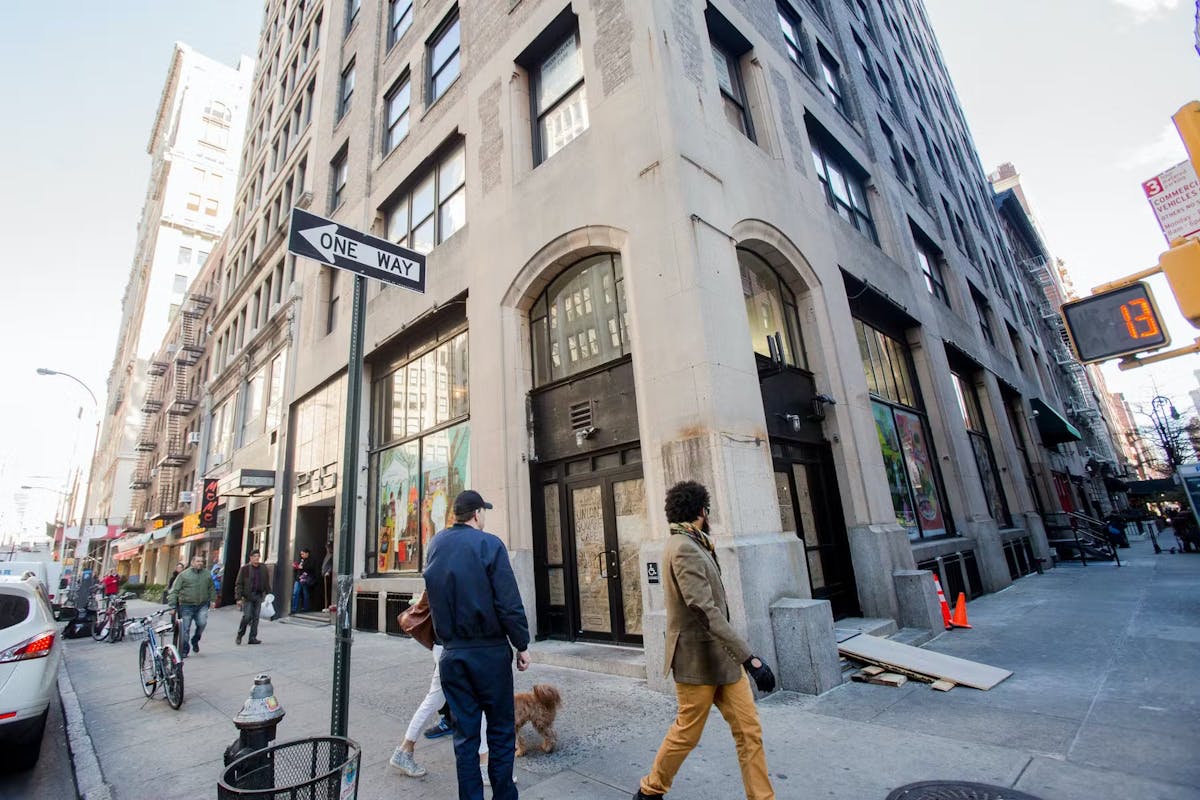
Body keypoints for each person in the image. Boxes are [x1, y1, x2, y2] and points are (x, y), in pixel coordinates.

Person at [634, 480, 777, 800]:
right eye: (708, 509)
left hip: (723, 659)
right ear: (701, 511)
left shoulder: (696, 543)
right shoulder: (682, 547)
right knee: (687, 732)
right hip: (696, 660)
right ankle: (650, 789)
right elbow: (703, 609)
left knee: (749, 730)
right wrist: (750, 658)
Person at [424, 490, 530, 800]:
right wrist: (521, 644)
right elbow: (508, 601)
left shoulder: (436, 545)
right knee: (499, 731)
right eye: (484, 512)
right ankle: (504, 795)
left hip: (452, 653)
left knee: (465, 735)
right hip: (489, 652)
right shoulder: (489, 544)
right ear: (476, 514)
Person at [390, 595, 493, 785]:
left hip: (446, 646)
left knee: (434, 700)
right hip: (453, 647)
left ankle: (405, 750)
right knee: (477, 701)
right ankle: (484, 764)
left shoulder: (438, 569)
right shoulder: (447, 570)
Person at [166, 555, 216, 658]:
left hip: (202, 605)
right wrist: (172, 606)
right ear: (192, 563)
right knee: (185, 629)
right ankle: (185, 649)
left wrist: (213, 600)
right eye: (198, 561)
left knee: (202, 623)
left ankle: (195, 639)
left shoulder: (207, 574)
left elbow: (211, 588)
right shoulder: (184, 575)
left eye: (201, 561)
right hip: (186, 606)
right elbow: (174, 591)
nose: (200, 563)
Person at [234, 549, 271, 645]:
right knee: (247, 617)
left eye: (258, 556)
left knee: (256, 617)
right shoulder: (245, 569)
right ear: (250, 558)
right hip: (248, 596)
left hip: (259, 595)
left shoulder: (263, 567)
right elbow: (239, 584)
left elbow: (266, 581)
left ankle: (252, 637)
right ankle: (240, 634)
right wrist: (238, 598)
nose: (257, 558)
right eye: (255, 556)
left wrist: (269, 594)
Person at [291, 548, 315, 612]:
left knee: (306, 594)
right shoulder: (300, 560)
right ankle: (294, 608)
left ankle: (306, 608)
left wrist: (303, 567)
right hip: (298, 578)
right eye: (301, 554)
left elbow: (312, 568)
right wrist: (296, 567)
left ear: (307, 553)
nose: (302, 555)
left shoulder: (311, 560)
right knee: (295, 593)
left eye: (303, 554)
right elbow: (296, 568)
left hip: (305, 579)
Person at [321, 542, 334, 612]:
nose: (327, 549)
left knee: (328, 591)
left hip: (328, 575)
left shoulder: (331, 555)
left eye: (328, 547)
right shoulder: (327, 555)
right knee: (325, 591)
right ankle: (325, 605)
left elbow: (331, 565)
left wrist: (328, 572)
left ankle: (328, 606)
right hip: (324, 574)